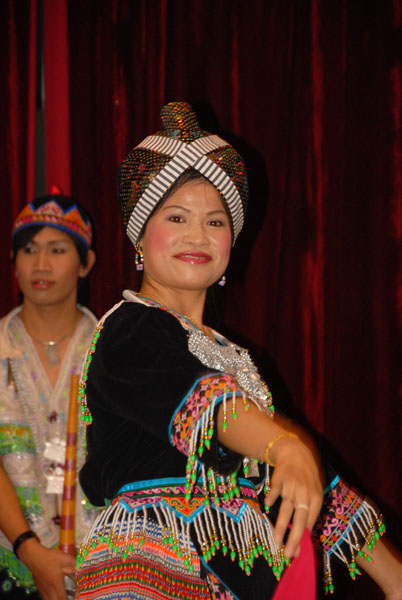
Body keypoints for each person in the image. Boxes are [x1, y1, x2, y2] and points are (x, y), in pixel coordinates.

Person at [75, 102, 402, 599]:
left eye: (215, 221)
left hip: (233, 578)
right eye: (177, 217)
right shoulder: (128, 329)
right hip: (150, 570)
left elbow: (312, 480)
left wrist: (391, 573)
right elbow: (205, 406)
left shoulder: (236, 360)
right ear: (140, 235)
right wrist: (283, 445)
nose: (197, 236)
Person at [0, 192, 97, 599]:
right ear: (13, 261)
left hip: (104, 564)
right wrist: (30, 550)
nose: (41, 265)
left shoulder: (111, 350)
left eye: (57, 250)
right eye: (29, 249)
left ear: (85, 263)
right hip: (11, 563)